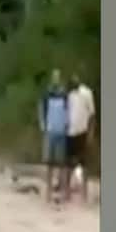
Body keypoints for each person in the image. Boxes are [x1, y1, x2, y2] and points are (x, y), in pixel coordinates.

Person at [40, 70, 70, 205]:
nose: (56, 79)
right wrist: (43, 126)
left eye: (58, 77)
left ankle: (62, 193)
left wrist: (67, 126)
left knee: (62, 164)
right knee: (49, 164)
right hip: (50, 131)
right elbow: (41, 109)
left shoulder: (65, 94)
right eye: (54, 77)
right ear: (52, 79)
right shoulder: (47, 93)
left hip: (61, 132)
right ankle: (48, 193)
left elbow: (69, 110)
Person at [66, 72, 96, 205]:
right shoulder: (69, 94)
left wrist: (91, 133)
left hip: (82, 131)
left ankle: (84, 193)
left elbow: (92, 115)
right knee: (68, 163)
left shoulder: (87, 93)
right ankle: (67, 192)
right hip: (70, 131)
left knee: (83, 163)